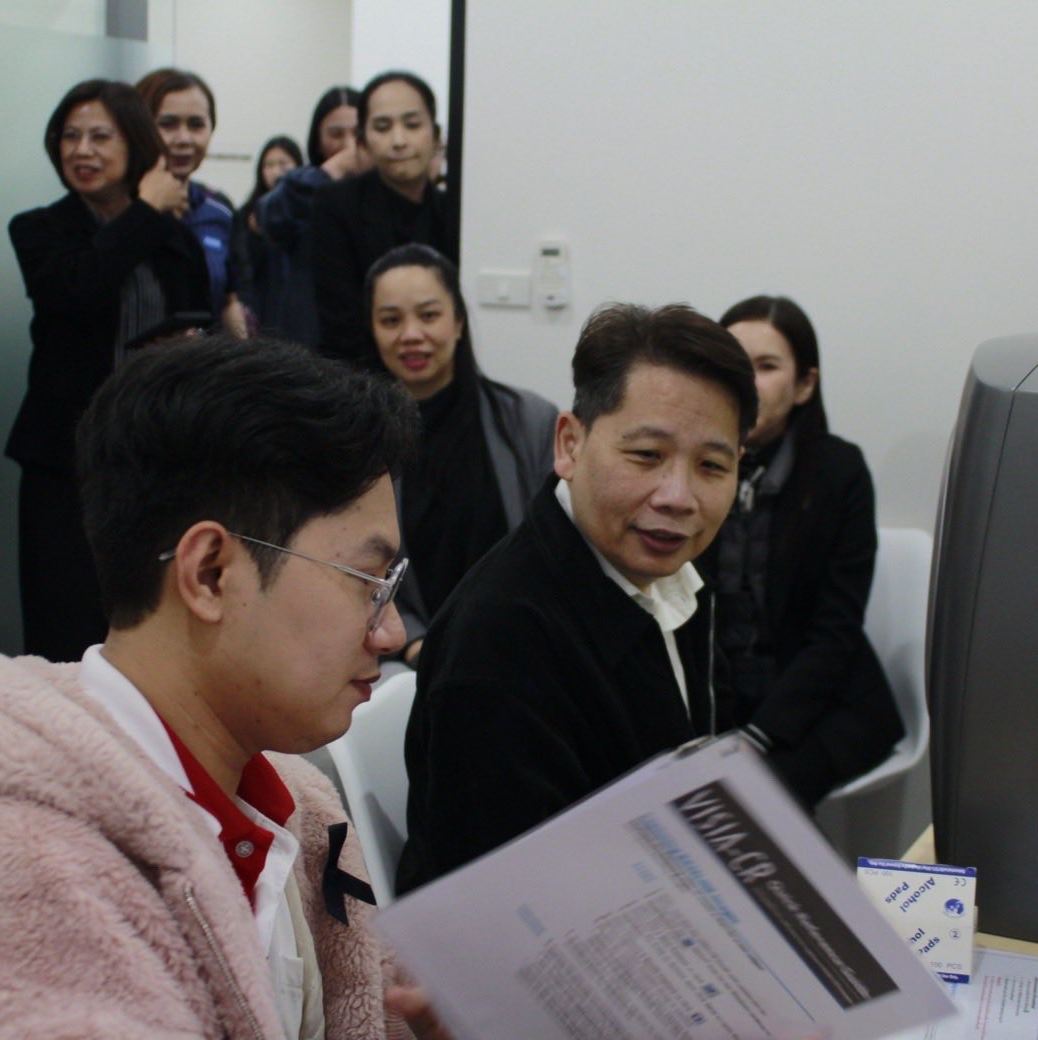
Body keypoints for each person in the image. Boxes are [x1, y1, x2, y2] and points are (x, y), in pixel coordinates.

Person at [0, 336, 451, 1039]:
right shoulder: (0, 879)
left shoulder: (287, 805)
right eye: (369, 583)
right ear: (210, 573)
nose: (390, 632)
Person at [395, 302, 755, 895]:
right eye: (647, 456)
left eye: (711, 466)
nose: (678, 496)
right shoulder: (499, 641)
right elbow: (512, 904)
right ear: (569, 443)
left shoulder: (672, 582)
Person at [7, 79, 210, 662]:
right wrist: (144, 209)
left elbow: (199, 327)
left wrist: (184, 347)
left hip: (154, 458)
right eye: (70, 136)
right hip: (65, 464)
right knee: (64, 627)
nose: (82, 150)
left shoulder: (175, 237)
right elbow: (80, 291)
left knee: (150, 627)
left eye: (100, 136)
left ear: (134, 144)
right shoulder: (38, 229)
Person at [699, 295, 901, 810]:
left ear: (805, 384)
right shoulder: (688, 467)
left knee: (749, 806)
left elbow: (836, 631)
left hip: (822, 705)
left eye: (766, 367)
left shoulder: (840, 472)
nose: (745, 382)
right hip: (715, 701)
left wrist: (760, 734)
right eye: (733, 364)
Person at [366, 243, 556, 664]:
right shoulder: (360, 440)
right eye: (391, 320)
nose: (410, 334)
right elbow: (357, 568)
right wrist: (418, 646)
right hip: (408, 661)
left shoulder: (531, 422)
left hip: (523, 651)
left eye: (428, 315)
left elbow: (557, 549)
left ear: (458, 322)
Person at [312, 71, 457, 368]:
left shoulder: (454, 210)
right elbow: (340, 324)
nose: (399, 140)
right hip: (359, 377)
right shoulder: (335, 206)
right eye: (382, 127)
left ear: (436, 135)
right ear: (363, 141)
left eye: (413, 124)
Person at [136, 67, 247, 337]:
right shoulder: (120, 210)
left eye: (196, 125)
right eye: (168, 124)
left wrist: (246, 354)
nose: (184, 139)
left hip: (202, 359)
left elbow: (228, 301)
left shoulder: (218, 210)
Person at [257, 86, 369, 346]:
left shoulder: (381, 192)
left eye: (357, 133)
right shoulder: (302, 185)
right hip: (309, 339)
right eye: (335, 134)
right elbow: (271, 216)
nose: (348, 145)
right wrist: (331, 171)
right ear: (317, 139)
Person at [233, 134, 302, 327]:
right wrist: (256, 236)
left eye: (283, 164)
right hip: (260, 305)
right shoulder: (248, 213)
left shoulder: (306, 211)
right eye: (268, 165)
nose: (275, 171)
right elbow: (243, 268)